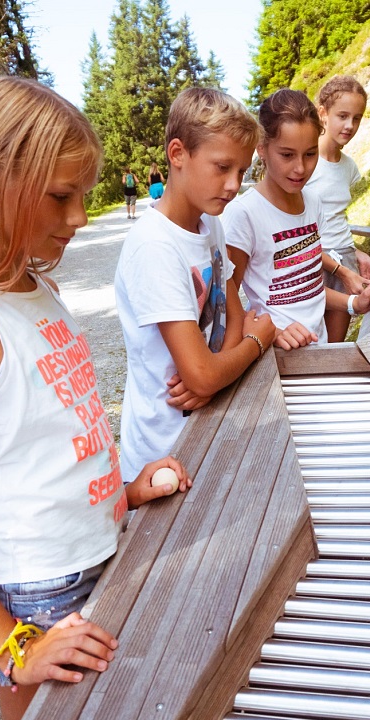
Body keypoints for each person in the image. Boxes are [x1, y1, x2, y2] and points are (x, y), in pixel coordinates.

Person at [0, 76, 191, 720]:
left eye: (83, 196)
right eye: (61, 196)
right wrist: (14, 644)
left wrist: (123, 489)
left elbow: (51, 434)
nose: (80, 218)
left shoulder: (36, 289)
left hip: (102, 550)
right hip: (38, 594)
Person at [115, 87, 277, 482]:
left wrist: (215, 376)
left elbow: (231, 313)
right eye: (222, 167)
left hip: (207, 421)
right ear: (177, 155)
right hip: (164, 452)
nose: (235, 184)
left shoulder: (211, 224)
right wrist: (257, 343)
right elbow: (205, 370)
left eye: (241, 171)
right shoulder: (155, 247)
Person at [223, 88, 370, 351]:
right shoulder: (244, 214)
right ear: (262, 149)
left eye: (310, 154)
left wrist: (353, 304)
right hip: (274, 361)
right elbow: (225, 303)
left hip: (316, 352)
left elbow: (309, 289)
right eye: (287, 155)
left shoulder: (313, 202)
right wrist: (273, 333)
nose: (300, 168)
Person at [305, 75, 370, 342]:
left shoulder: (349, 167)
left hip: (343, 259)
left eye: (357, 118)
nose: (350, 125)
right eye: (343, 116)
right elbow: (301, 229)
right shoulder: (304, 164)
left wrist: (355, 251)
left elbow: (334, 219)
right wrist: (340, 268)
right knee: (309, 346)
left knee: (333, 347)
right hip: (312, 262)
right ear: (323, 114)